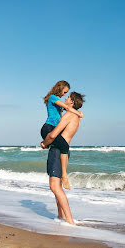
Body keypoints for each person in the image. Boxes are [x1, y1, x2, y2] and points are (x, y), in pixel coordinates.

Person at [41, 92, 85, 225]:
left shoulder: (69, 115)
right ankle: (61, 216)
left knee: (54, 187)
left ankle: (70, 220)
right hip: (64, 151)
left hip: (57, 151)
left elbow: (53, 134)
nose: (65, 98)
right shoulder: (77, 117)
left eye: (68, 97)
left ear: (72, 102)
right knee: (57, 186)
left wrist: (44, 143)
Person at [41, 80, 83, 190]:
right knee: (64, 146)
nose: (65, 95)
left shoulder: (60, 102)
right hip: (48, 128)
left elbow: (70, 107)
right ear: (60, 88)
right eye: (65, 92)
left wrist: (76, 111)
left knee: (63, 146)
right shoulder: (53, 98)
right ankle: (64, 175)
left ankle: (64, 175)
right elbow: (69, 108)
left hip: (53, 129)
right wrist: (78, 113)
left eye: (67, 94)